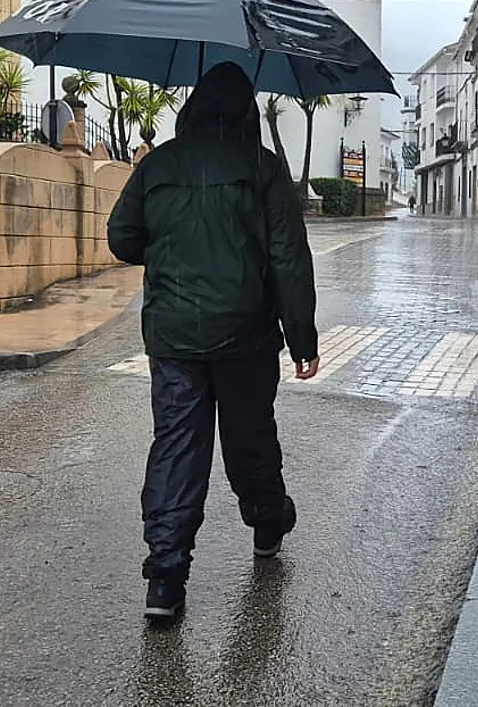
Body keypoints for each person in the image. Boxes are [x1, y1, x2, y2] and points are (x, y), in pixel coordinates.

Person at [107, 62, 321, 623]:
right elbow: (289, 260)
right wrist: (302, 339)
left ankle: (165, 577)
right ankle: (268, 521)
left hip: (173, 334)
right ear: (247, 112)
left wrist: (170, 250)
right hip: (246, 333)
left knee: (177, 444)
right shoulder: (264, 168)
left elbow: (122, 238)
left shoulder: (158, 165)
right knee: (249, 436)